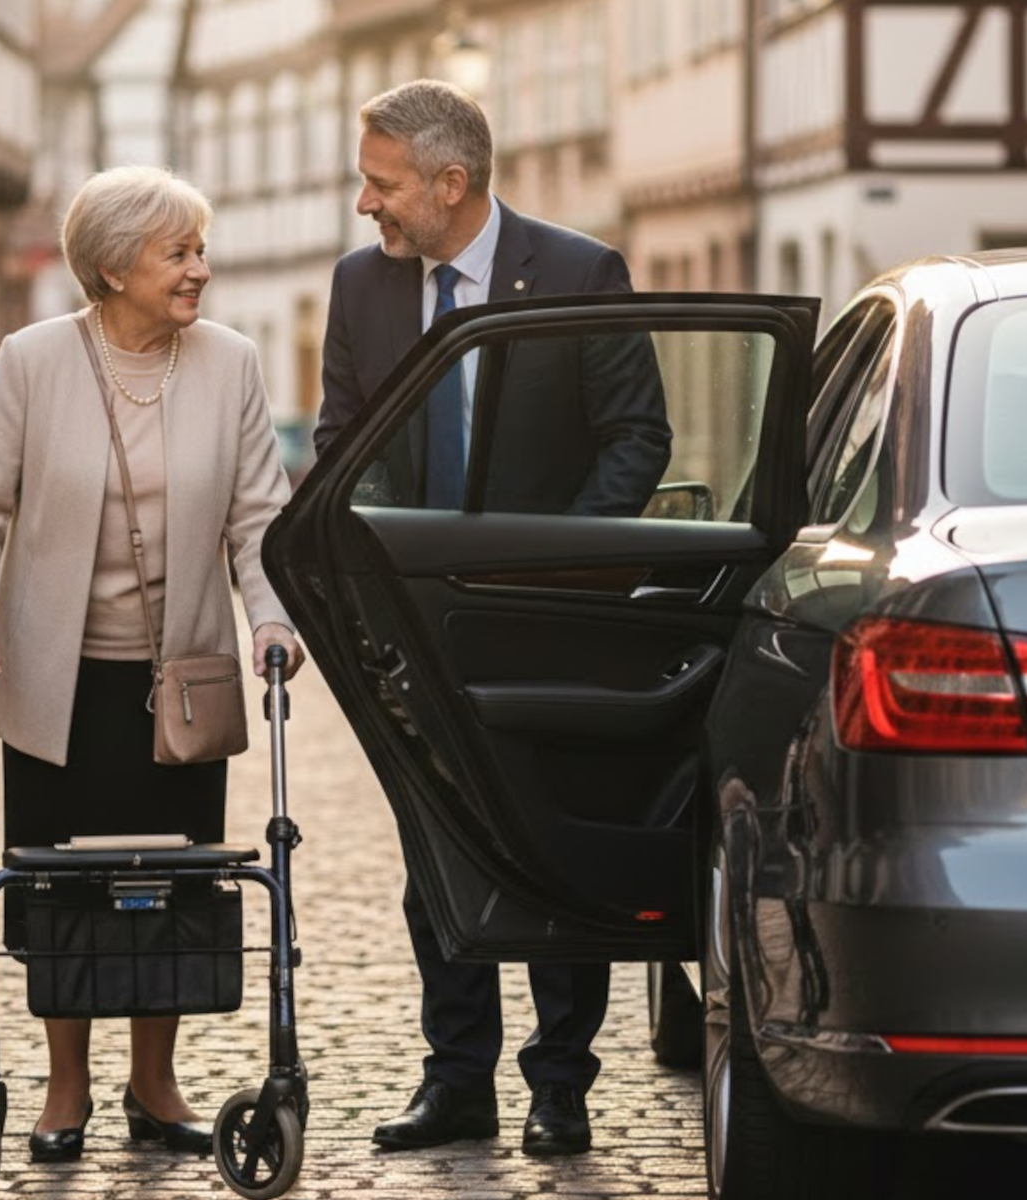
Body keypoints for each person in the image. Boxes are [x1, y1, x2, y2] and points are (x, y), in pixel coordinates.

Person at [314, 78, 671, 1158]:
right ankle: (456, 1081)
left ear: (450, 182)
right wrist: (384, 566)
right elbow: (341, 439)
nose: (366, 204)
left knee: (556, 853)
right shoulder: (361, 285)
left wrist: (553, 566)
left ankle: (561, 1085)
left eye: (381, 184)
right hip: (419, 627)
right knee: (438, 858)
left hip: (552, 622)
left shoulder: (578, 272)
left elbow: (636, 439)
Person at [0, 165, 303, 1166]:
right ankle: (65, 1084)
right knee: (59, 891)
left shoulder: (228, 363)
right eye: (177, 253)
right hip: (54, 681)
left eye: (200, 250)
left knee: (172, 885)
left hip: (178, 686)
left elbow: (259, 519)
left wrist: (271, 623)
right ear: (111, 268)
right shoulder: (33, 361)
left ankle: (155, 1080)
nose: (200, 270)